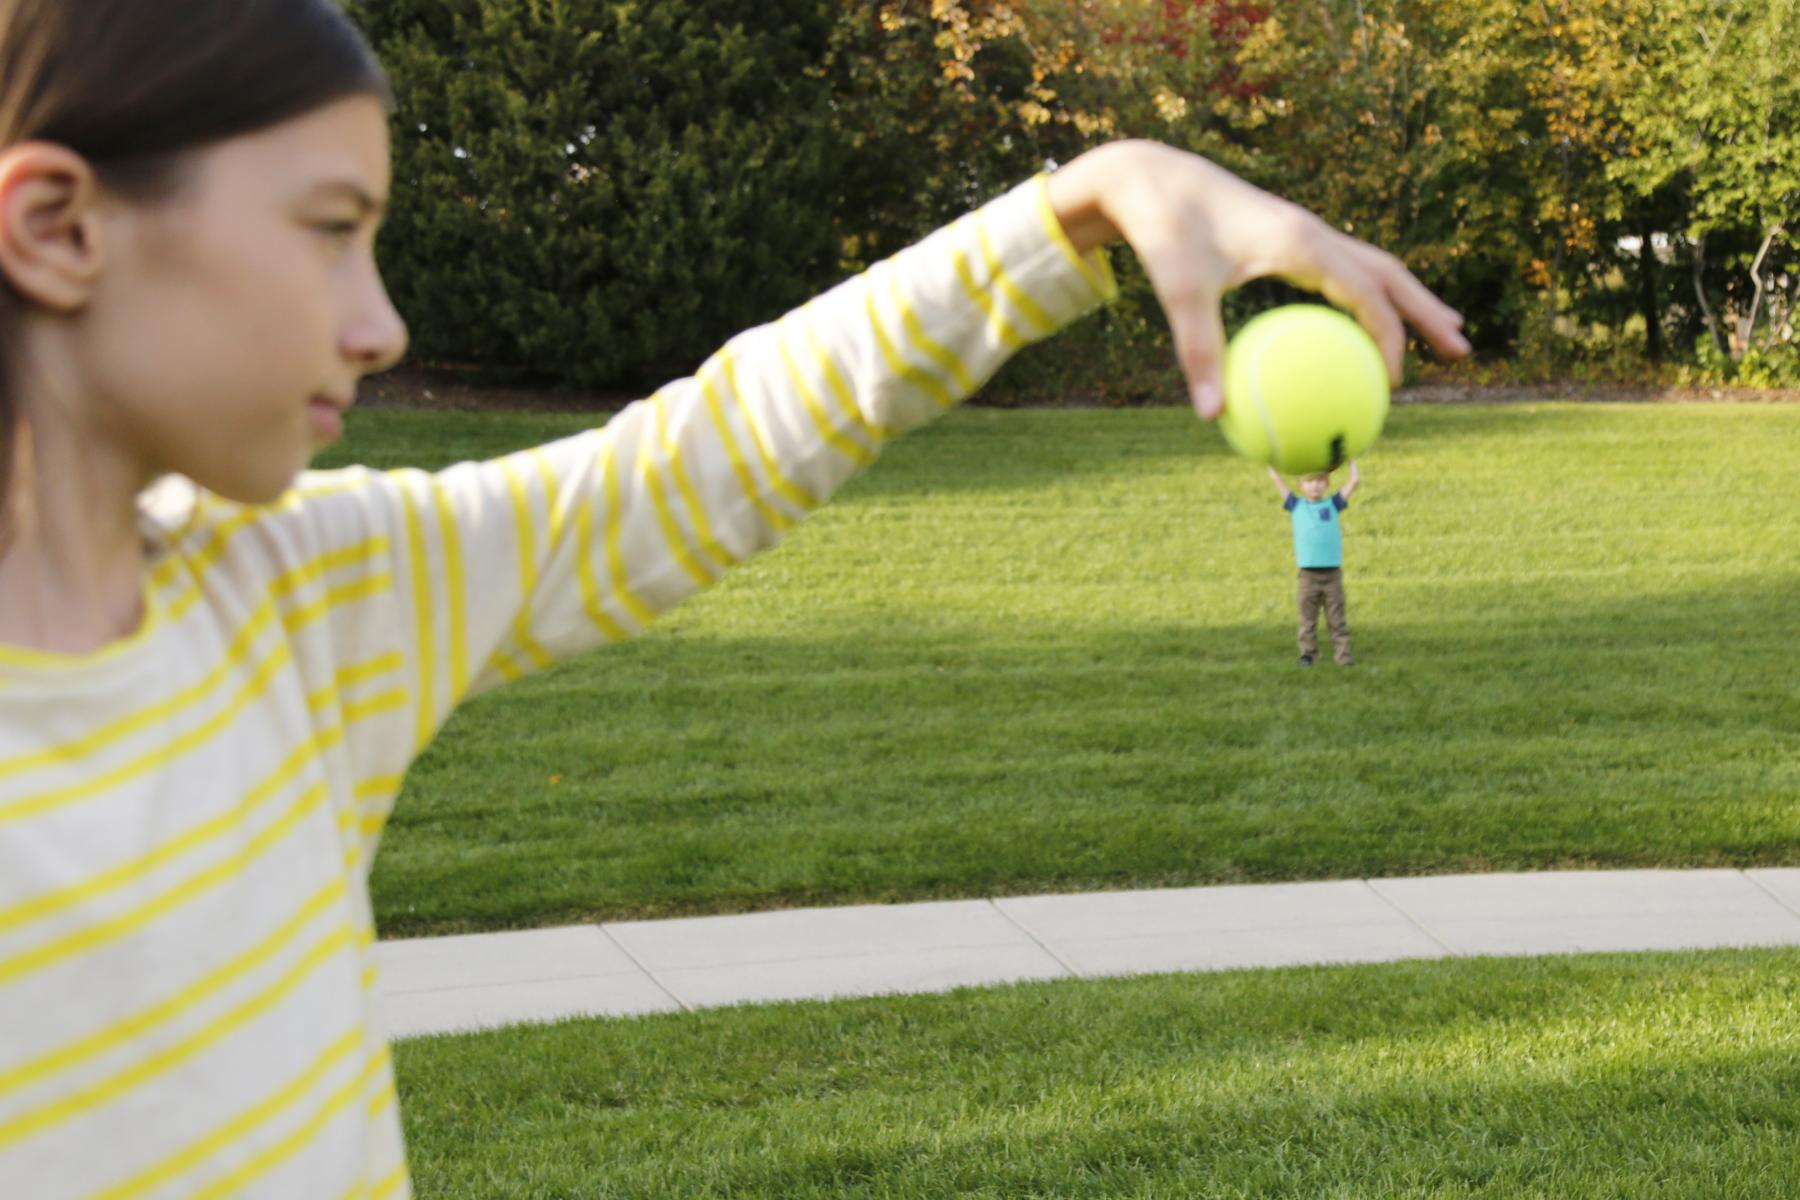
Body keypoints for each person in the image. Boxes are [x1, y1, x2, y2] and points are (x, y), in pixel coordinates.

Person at [0, 1, 1469, 1195]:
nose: (379, 323)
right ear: (61, 226)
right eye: (328, 229)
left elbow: (686, 466)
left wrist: (1086, 204)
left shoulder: (305, 609)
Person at [1268, 461, 1362, 665]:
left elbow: (1354, 481)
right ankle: (1308, 655)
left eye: (1320, 481)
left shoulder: (1333, 504)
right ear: (1300, 486)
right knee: (1307, 619)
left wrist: (1351, 459)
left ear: (1327, 484)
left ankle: (1343, 656)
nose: (1315, 486)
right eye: (1309, 482)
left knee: (1337, 619)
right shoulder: (1296, 505)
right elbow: (1276, 480)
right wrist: (1269, 460)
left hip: (1332, 575)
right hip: (1308, 576)